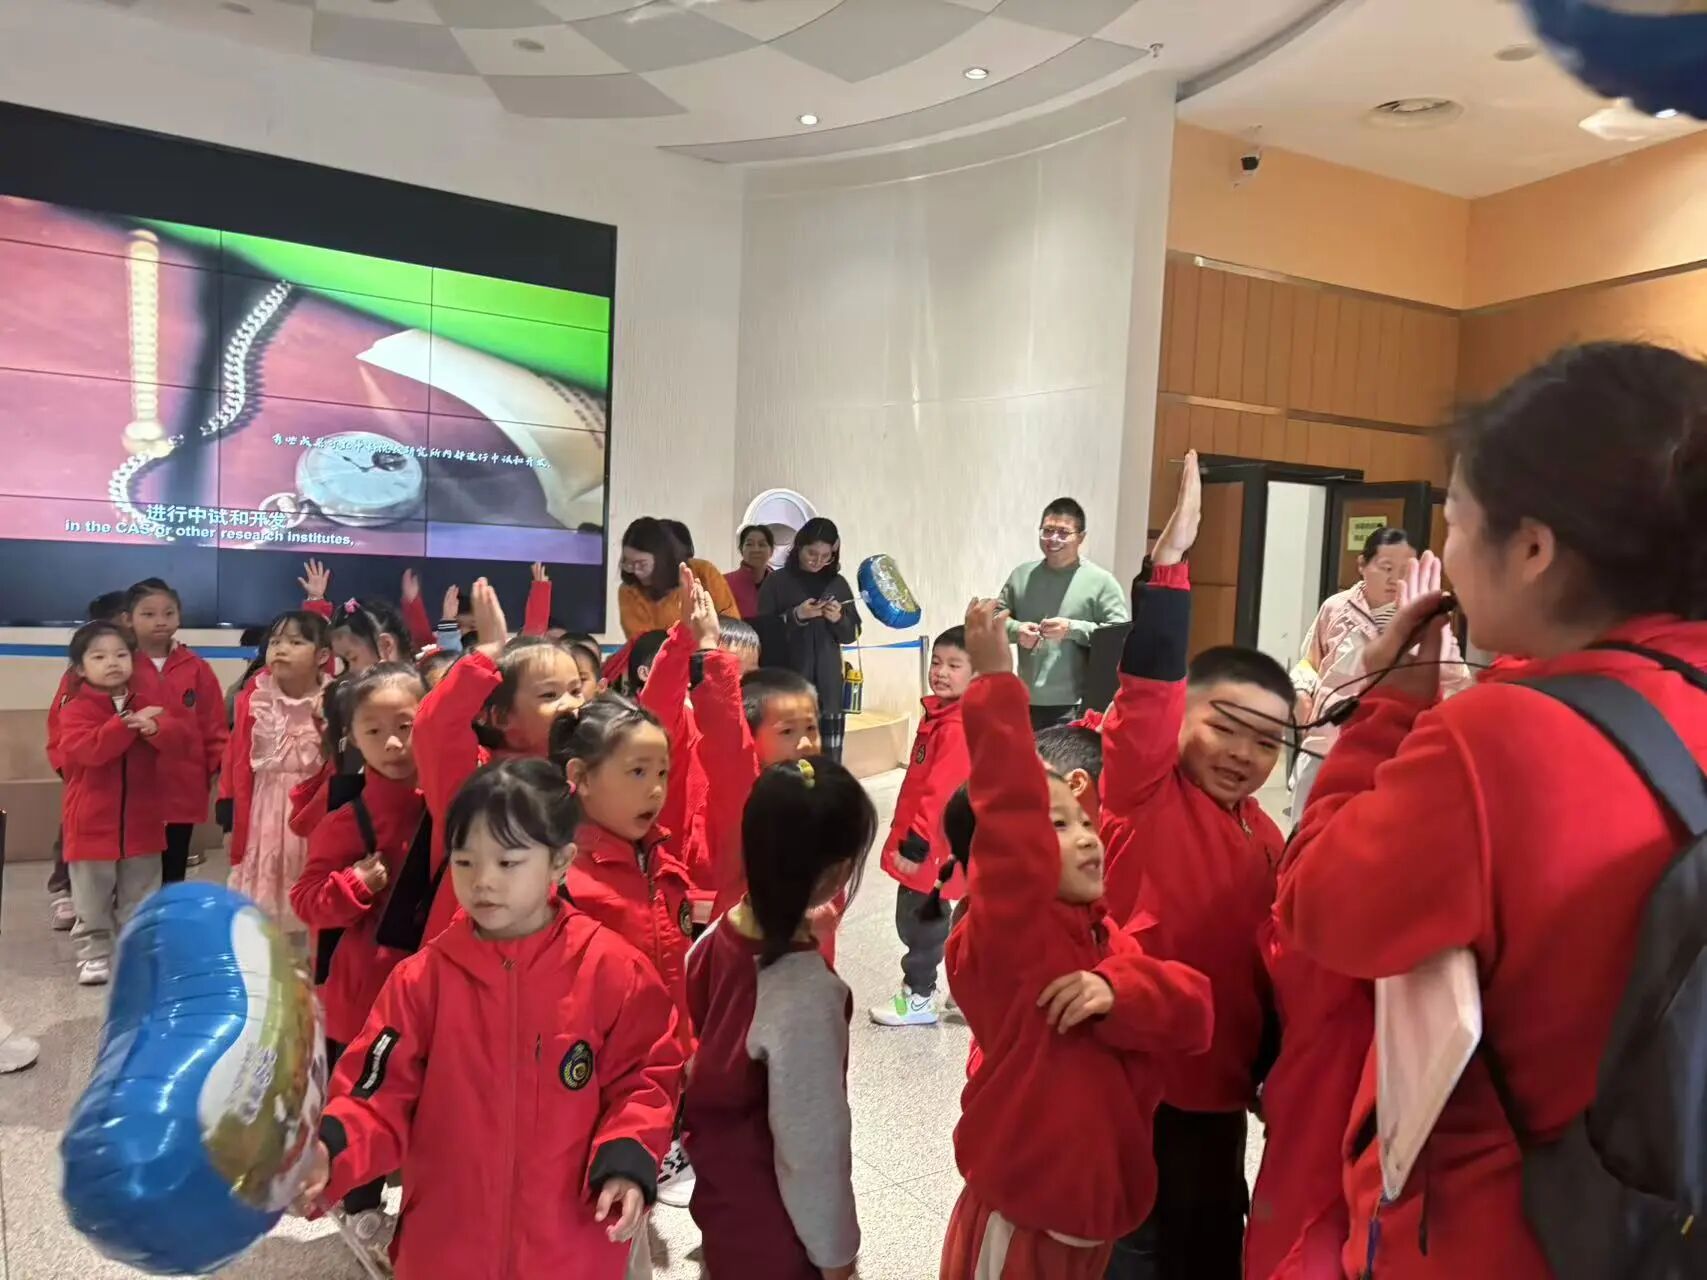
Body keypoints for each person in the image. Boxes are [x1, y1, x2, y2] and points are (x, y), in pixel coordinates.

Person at [1276, 341, 1707, 1279]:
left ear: (1533, 549)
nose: (1446, 554)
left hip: (1509, 1236)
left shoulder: (1501, 742)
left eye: (1455, 520)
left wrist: (1390, 704)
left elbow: (1316, 904)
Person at [294, 759, 684, 1280]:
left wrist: (627, 1158)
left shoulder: (612, 971)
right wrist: (330, 1151)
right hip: (447, 1249)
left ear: (560, 862)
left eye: (507, 862)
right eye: (465, 861)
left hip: (570, 1246)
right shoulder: (422, 981)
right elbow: (375, 1095)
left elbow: (645, 1078)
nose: (483, 881)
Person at [939, 598, 1214, 1279]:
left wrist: (1116, 990)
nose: (1087, 837)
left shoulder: (1101, 936)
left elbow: (1195, 1011)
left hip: (1093, 1221)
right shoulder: (1006, 935)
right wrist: (995, 684)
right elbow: (1010, 822)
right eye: (1056, 826)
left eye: (1083, 821)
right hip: (1023, 1221)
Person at [1097, 450, 1290, 1280]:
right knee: (1127, 1253)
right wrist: (1169, 570)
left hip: (1219, 1098)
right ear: (1181, 718)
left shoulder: (1269, 839)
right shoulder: (1142, 791)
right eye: (1225, 727)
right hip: (1131, 1083)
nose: (1244, 754)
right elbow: (1146, 697)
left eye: (1266, 741)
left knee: (1209, 1249)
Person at [683, 756, 876, 1280]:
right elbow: (810, 1149)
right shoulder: (807, 992)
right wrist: (838, 1259)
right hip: (779, 1235)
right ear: (839, 872)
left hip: (723, 1201)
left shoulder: (718, 935)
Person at [288, 662, 428, 1264]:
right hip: (362, 992)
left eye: (407, 726)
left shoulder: (448, 799)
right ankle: (362, 1207)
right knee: (365, 1095)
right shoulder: (349, 818)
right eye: (375, 731)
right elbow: (305, 899)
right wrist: (354, 884)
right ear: (352, 738)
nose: (394, 743)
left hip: (427, 985)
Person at [550, 693, 695, 1210]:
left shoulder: (659, 856)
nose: (655, 789)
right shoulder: (562, 880)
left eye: (662, 772)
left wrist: (687, 1045)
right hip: (594, 1080)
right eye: (637, 772)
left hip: (656, 1071)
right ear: (580, 777)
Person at [413, 579, 586, 942]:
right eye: (550, 695)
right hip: (474, 953)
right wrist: (486, 655)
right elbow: (434, 726)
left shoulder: (585, 771)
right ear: (500, 716)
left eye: (576, 690)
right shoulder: (477, 781)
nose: (571, 705)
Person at [1288, 527, 1471, 815]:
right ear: (1362, 565)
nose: (1394, 579)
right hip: (1326, 741)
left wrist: (1433, 631)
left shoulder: (1426, 617)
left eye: (1404, 570)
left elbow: (1456, 680)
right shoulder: (1335, 608)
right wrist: (1301, 693)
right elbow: (1310, 662)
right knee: (1310, 821)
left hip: (1393, 747)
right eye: (1386, 568)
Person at [57, 621, 186, 985]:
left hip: (143, 821)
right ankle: (94, 954)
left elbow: (180, 740)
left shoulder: (148, 704)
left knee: (142, 894)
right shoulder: (75, 710)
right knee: (91, 897)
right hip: (91, 822)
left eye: (120, 655)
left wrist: (156, 728)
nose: (112, 662)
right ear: (80, 668)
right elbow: (90, 751)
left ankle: (138, 953)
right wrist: (125, 725)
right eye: (99, 657)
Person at [871, 626, 973, 1028]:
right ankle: (966, 990)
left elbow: (941, 793)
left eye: (954, 665)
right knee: (934, 916)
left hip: (931, 847)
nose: (941, 672)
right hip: (933, 843)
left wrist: (915, 842)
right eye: (937, 662)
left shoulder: (957, 726)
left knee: (919, 921)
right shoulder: (944, 715)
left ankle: (918, 996)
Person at [224, 611, 334, 944]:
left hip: (315, 815)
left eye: (295, 642)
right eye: (275, 642)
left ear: (322, 656)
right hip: (265, 814)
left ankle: (310, 960)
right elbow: (236, 758)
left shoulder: (335, 699)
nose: (281, 650)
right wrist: (228, 816)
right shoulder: (255, 697)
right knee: (265, 906)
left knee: (312, 894)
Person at [124, 579, 227, 884]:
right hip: (133, 790)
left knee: (173, 871)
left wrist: (216, 770)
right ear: (128, 619)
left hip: (184, 786)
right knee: (134, 878)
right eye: (148, 614)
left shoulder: (196, 667)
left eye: (168, 613)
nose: (160, 621)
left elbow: (214, 726)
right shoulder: (120, 665)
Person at [999, 498, 1130, 730]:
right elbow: (994, 619)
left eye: (1063, 533)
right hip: (1024, 700)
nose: (1053, 539)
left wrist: (1072, 629)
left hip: (1076, 705)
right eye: (1048, 531)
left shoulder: (1101, 582)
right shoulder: (1022, 576)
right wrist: (1016, 630)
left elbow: (1119, 637)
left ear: (1081, 537)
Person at [45, 589, 130, 931]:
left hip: (129, 786)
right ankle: (64, 889)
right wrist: (64, 763)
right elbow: (60, 726)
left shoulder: (137, 676)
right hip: (85, 774)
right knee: (78, 831)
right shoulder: (77, 682)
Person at [756, 517, 861, 761]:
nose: (818, 561)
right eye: (812, 553)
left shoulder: (837, 584)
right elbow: (761, 632)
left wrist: (839, 619)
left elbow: (853, 633)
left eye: (826, 556)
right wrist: (796, 616)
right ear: (799, 547)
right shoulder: (776, 582)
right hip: (787, 684)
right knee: (787, 759)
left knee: (828, 760)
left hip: (829, 689)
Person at [618, 517, 738, 640]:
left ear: (661, 559)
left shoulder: (704, 571)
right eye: (629, 563)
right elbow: (640, 641)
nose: (635, 571)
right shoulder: (629, 591)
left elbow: (733, 626)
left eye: (642, 564)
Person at [726, 524, 775, 620]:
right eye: (749, 544)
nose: (756, 549)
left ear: (771, 551)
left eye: (762, 544)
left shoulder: (780, 584)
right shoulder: (724, 583)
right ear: (741, 550)